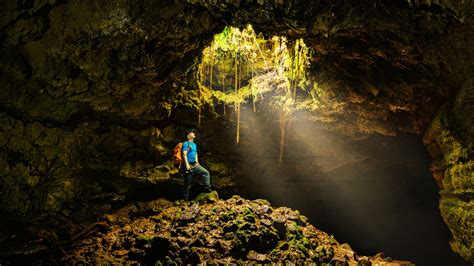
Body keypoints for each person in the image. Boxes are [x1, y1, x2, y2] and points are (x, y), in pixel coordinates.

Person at [181, 128, 212, 200]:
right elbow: (184, 154)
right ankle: (185, 198)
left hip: (195, 164)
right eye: (192, 132)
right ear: (188, 136)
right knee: (187, 183)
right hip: (189, 165)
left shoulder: (194, 144)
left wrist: (197, 162)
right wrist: (187, 165)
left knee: (206, 173)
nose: (193, 133)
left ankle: (207, 188)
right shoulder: (186, 143)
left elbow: (195, 153)